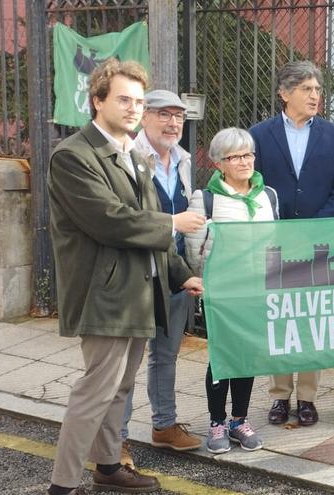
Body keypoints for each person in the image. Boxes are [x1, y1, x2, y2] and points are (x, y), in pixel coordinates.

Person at [46, 59, 205, 495]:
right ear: (97, 101)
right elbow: (109, 220)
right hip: (104, 295)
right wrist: (175, 224)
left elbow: (146, 217)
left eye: (138, 101)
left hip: (138, 292)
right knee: (95, 391)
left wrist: (180, 273)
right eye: (123, 99)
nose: (134, 108)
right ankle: (62, 485)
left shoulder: (134, 154)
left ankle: (109, 466)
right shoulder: (73, 156)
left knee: (120, 387)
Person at [249, 60, 334, 427]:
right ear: (284, 93)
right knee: (281, 320)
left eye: (317, 90)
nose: (314, 96)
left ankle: (308, 398)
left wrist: (313, 229)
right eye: (307, 89)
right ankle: (279, 397)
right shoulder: (258, 135)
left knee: (310, 321)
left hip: (316, 243)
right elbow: (252, 184)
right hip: (274, 242)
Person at [119, 89, 201, 470]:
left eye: (178, 117)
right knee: (127, 363)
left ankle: (164, 425)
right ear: (144, 118)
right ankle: (115, 440)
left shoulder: (182, 160)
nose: (172, 124)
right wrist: (173, 223)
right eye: (164, 115)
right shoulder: (127, 158)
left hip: (176, 271)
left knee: (166, 355)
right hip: (138, 275)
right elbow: (126, 220)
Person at [185, 127, 275, 453]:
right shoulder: (206, 199)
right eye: (234, 156)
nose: (243, 161)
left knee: (246, 357)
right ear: (219, 163)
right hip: (221, 292)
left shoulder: (268, 196)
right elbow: (194, 250)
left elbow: (274, 244)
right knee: (222, 357)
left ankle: (239, 420)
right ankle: (216, 421)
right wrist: (201, 283)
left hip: (256, 291)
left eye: (248, 154)